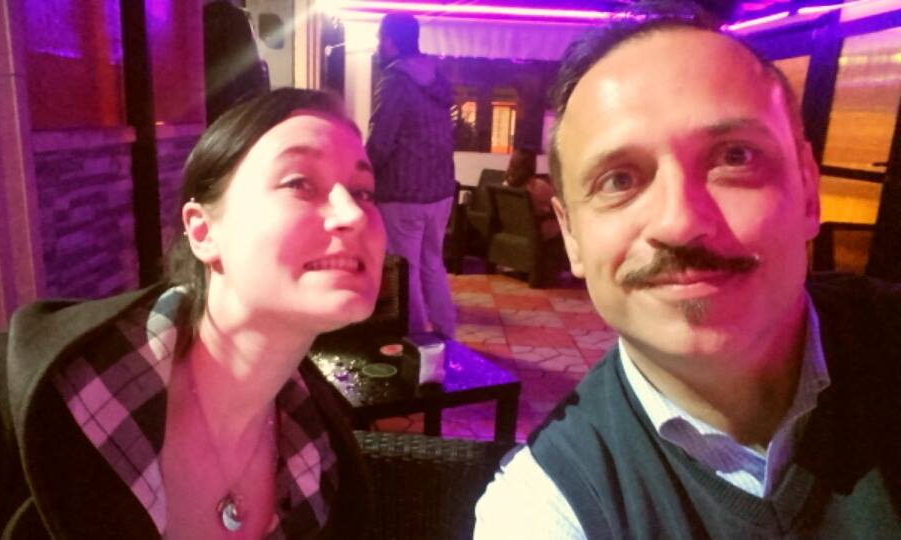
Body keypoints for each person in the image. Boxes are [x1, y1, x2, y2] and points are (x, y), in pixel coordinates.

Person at [475, 5, 901, 538]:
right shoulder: (549, 504)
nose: (679, 223)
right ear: (572, 237)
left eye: (735, 157)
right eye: (618, 180)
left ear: (808, 192)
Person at [0, 88, 385, 539]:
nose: (353, 214)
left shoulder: (326, 461)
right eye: (299, 183)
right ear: (203, 231)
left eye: (363, 192)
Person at [366, 13, 457, 338]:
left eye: (381, 37)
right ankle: (445, 333)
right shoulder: (437, 78)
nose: (378, 44)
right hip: (440, 193)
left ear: (391, 41)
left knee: (406, 271)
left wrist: (360, 174)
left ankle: (416, 338)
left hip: (403, 194)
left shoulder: (396, 81)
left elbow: (381, 142)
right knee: (433, 264)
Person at [502, 148, 560, 241]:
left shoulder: (505, 185)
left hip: (513, 229)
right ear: (532, 165)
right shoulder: (539, 186)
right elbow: (557, 204)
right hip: (535, 230)